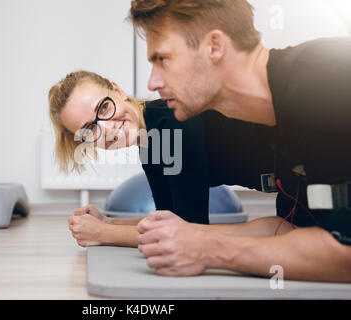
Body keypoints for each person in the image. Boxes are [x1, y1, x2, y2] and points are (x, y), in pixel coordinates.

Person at [129, 0, 351, 282]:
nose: (152, 83)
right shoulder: (272, 123)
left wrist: (209, 250)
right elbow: (292, 230)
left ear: (215, 47)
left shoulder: (321, 80)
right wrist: (191, 233)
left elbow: (344, 251)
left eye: (163, 59)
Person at [48, 70, 276, 248]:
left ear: (117, 91)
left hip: (299, 167)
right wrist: (109, 222)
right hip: (285, 184)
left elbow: (186, 231)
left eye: (104, 107)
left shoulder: (170, 124)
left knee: (281, 232)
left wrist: (103, 234)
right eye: (89, 129)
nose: (106, 128)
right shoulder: (149, 143)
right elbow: (170, 220)